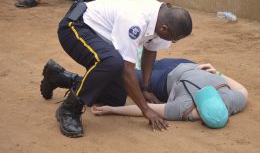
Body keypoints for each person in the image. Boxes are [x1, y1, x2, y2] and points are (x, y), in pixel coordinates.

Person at [47, 0, 192, 137]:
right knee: (112, 62)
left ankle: (60, 77)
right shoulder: (135, 20)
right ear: (164, 29)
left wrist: (146, 89)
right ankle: (69, 110)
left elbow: (150, 50)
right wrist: (145, 109)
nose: (172, 41)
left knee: (116, 97)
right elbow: (126, 69)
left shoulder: (162, 18)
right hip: (75, 27)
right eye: (173, 39)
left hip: (100, 38)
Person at [40, 58, 247, 129]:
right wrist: (112, 108)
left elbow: (243, 90)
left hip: (186, 64)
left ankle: (60, 76)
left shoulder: (231, 99)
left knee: (124, 77)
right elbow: (146, 109)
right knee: (118, 84)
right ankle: (63, 77)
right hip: (164, 78)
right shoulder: (187, 108)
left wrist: (218, 73)